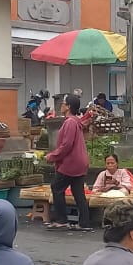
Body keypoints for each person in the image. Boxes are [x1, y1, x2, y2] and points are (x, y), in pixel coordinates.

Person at [45, 95, 90, 231]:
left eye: (63, 103)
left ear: (69, 106)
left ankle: (61, 219)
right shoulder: (75, 121)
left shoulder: (70, 122)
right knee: (78, 192)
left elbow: (66, 145)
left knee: (57, 188)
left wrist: (53, 156)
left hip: (71, 163)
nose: (61, 105)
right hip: (79, 162)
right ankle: (84, 223)